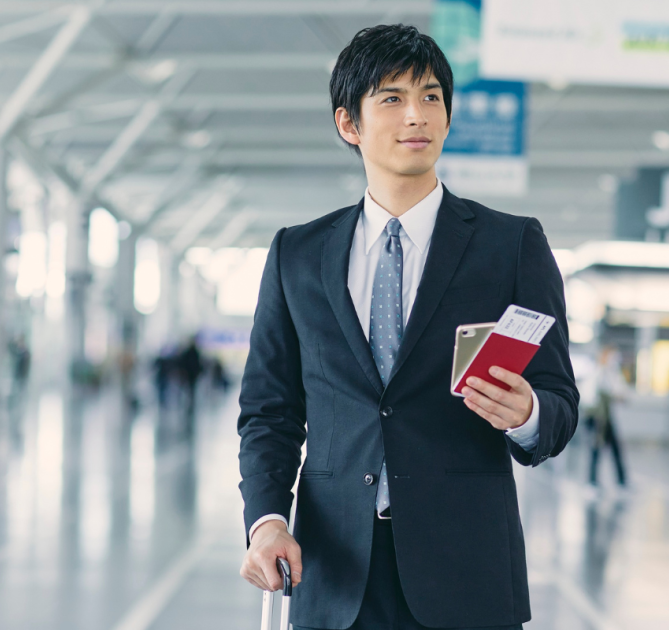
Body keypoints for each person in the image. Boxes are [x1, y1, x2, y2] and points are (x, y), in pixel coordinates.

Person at [237, 25, 579, 630]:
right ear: (349, 123)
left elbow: (559, 403)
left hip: (467, 571)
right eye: (391, 99)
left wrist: (527, 415)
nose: (416, 115)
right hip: (334, 572)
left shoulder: (511, 245)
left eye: (431, 97)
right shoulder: (298, 254)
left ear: (448, 117)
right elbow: (270, 409)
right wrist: (266, 521)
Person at [588, 345, 628, 488]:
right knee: (596, 450)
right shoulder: (597, 373)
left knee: (615, 450)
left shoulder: (614, 374)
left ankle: (622, 481)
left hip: (609, 419)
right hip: (599, 419)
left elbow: (622, 393)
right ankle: (592, 481)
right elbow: (589, 395)